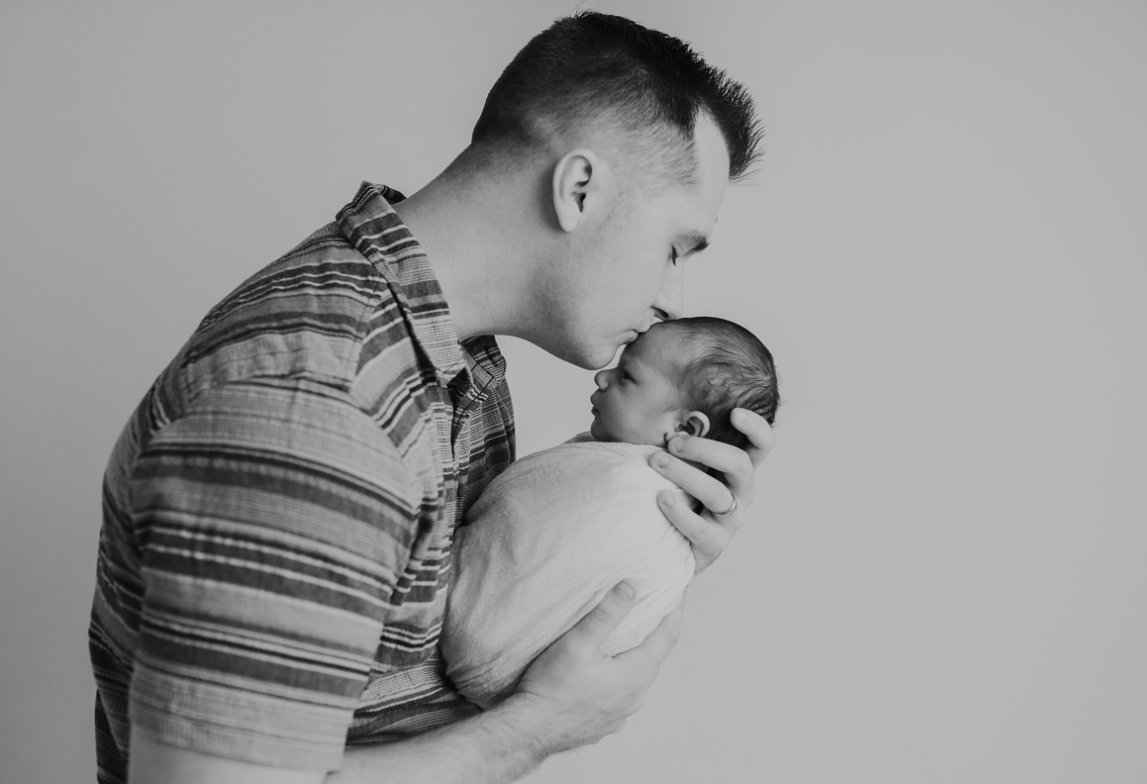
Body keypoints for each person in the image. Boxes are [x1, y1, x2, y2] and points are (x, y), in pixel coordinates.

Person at [89, 12, 775, 784]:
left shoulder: (448, 351)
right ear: (580, 187)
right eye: (675, 248)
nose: (669, 300)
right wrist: (541, 727)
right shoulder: (319, 407)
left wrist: (651, 538)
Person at [443, 317, 780, 708]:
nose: (603, 377)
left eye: (627, 376)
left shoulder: (638, 493)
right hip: (503, 688)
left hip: (475, 637)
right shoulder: (629, 479)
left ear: (685, 427)